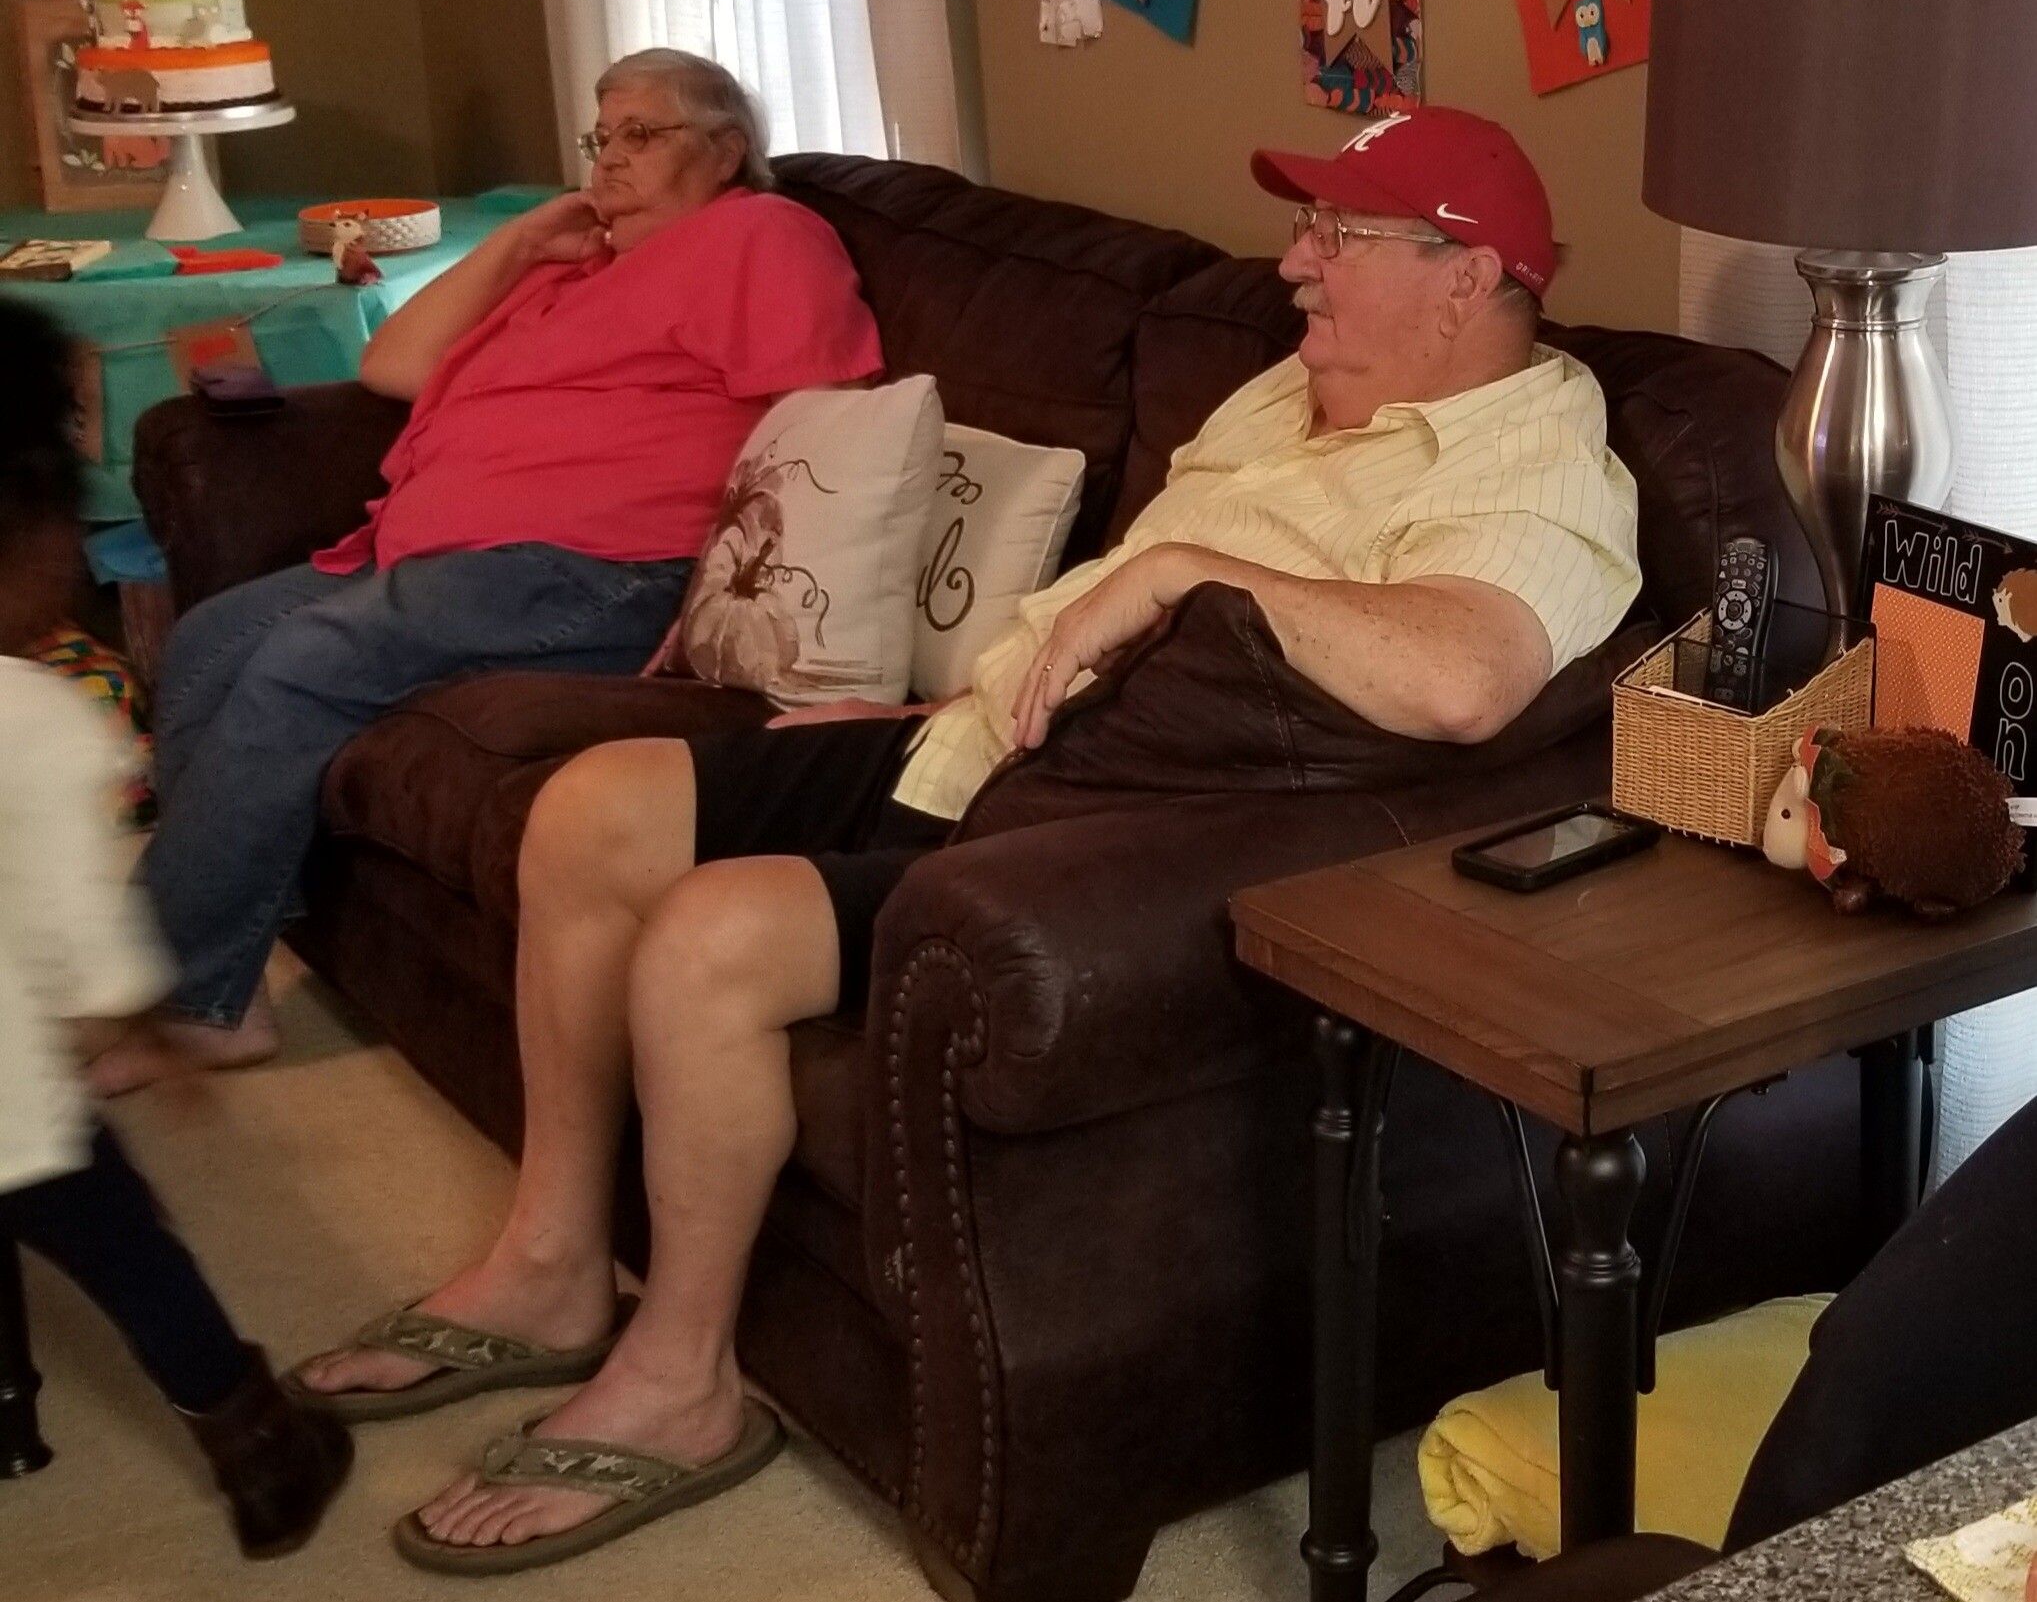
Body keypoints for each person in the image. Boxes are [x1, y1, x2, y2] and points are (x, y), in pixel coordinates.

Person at [295, 106, 1644, 1572]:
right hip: (979, 743)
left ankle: (683, 1385)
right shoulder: (1293, 387)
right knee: (590, 807)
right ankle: (554, 1261)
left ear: (1467, 275)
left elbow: (1463, 679)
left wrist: (1192, 572)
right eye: (1305, 226)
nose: (1294, 264)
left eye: (1339, 235)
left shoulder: (1538, 454)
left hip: (1083, 834)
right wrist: (936, 694)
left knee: (709, 939)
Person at [91, 50, 883, 1097]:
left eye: (643, 134)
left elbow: (828, 418)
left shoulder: (762, 236)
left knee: (306, 657)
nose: (611, 157)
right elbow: (391, 366)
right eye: (602, 136)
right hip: (445, 555)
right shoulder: (572, 270)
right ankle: (213, 978)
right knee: (212, 638)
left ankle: (171, 996)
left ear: (727, 149)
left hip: (602, 570)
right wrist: (517, 244)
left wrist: (780, 625)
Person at [0, 299, 353, 1558]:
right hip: (12, 1108)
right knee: (129, 1252)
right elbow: (80, 934)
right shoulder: (37, 721)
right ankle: (264, 1453)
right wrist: (147, 1031)